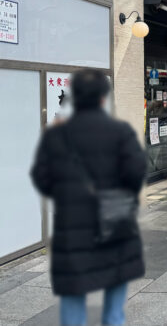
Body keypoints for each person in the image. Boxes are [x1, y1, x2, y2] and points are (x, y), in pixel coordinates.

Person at [30, 69, 146, 326]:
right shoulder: (121, 132)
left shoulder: (56, 135)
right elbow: (137, 173)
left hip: (72, 229)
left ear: (75, 98)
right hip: (115, 226)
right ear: (104, 98)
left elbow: (41, 178)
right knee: (114, 312)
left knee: (73, 300)